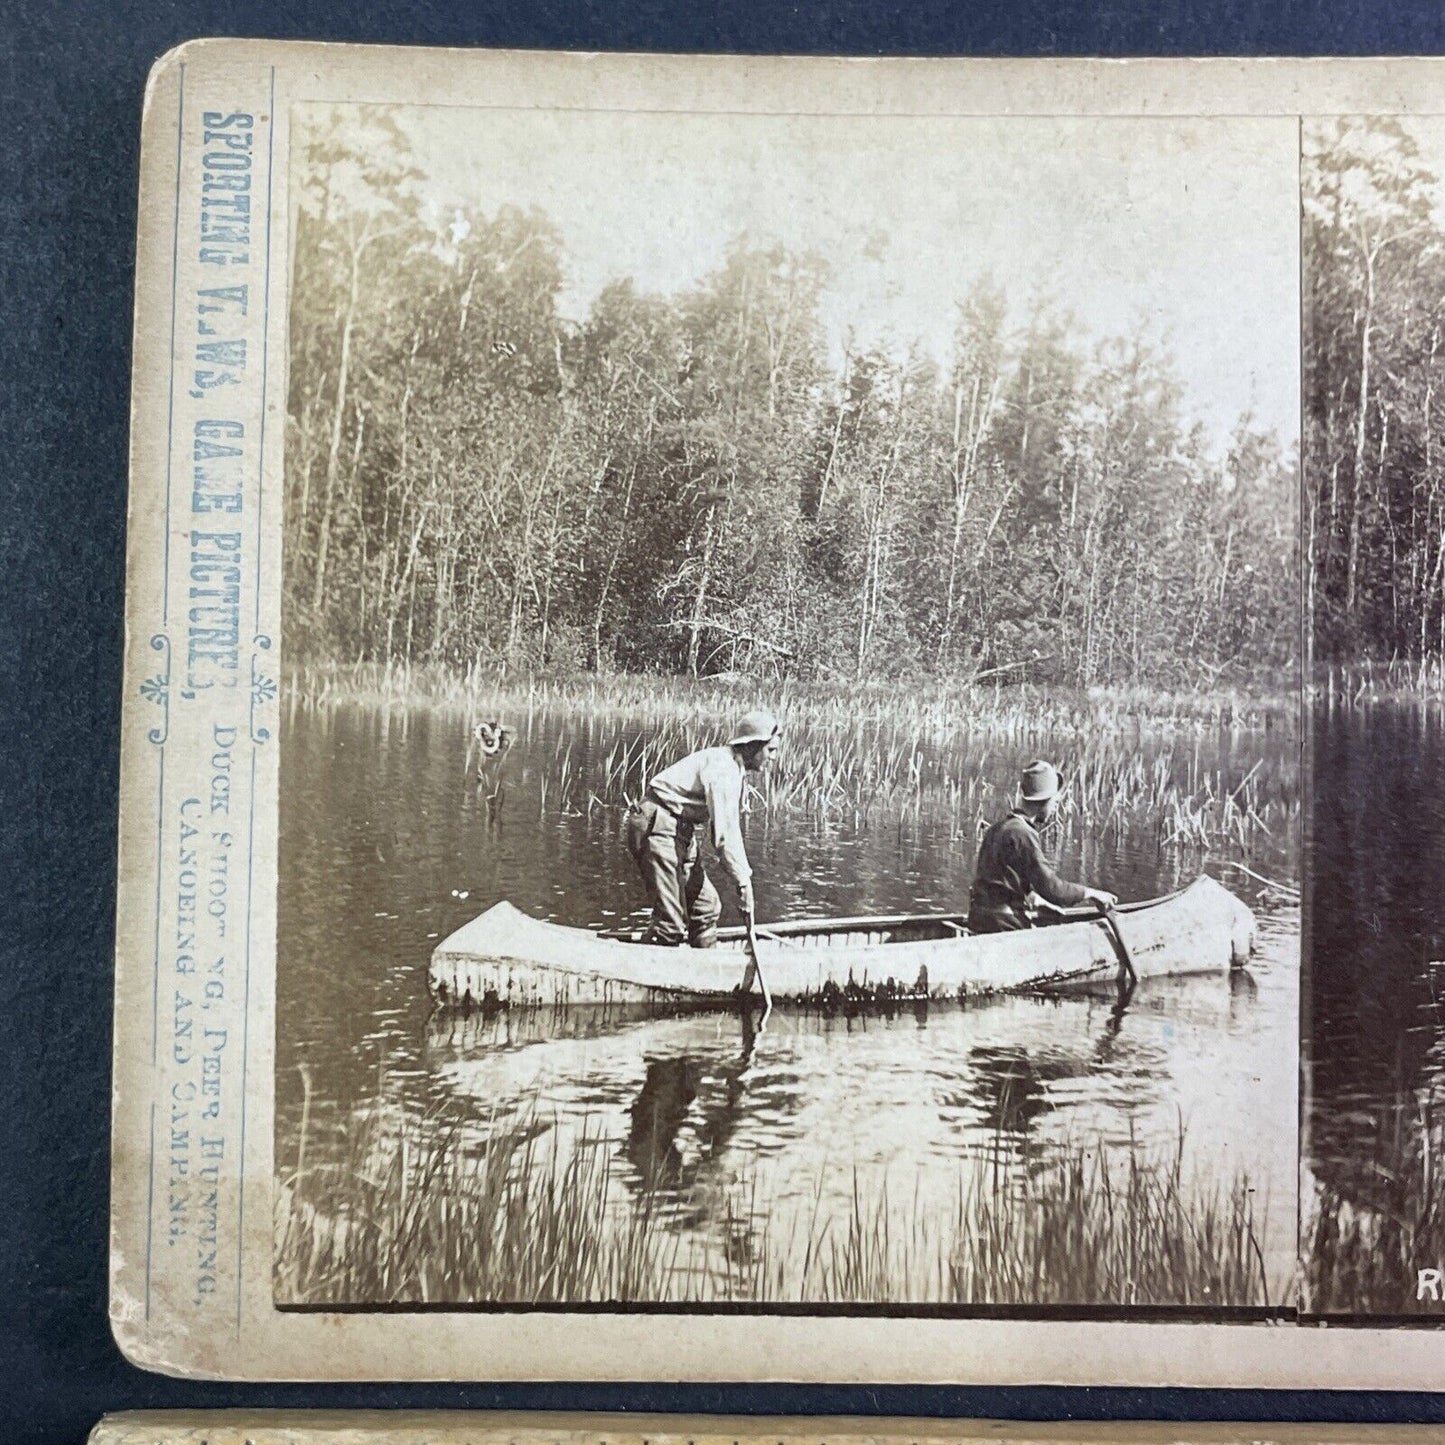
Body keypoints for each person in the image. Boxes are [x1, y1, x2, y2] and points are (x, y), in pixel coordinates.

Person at [625, 710, 781, 948]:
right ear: (752, 746)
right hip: (658, 826)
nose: (773, 757)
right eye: (770, 750)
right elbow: (723, 838)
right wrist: (743, 883)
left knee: (706, 910)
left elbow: (731, 829)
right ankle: (652, 970)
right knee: (670, 925)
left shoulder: (731, 769)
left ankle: (708, 969)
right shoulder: (723, 770)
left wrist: (744, 877)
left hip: (678, 831)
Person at [968, 760, 1117, 934]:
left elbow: (998, 884)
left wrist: (1038, 902)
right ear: (1043, 801)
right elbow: (1054, 889)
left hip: (978, 920)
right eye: (1054, 801)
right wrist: (1092, 893)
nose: (1055, 807)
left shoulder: (996, 829)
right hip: (1003, 926)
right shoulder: (1023, 834)